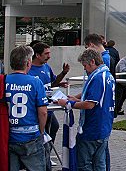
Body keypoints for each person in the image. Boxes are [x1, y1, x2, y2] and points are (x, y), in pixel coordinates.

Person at [57, 49, 115, 171]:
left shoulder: (98, 78)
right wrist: (76, 99)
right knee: (99, 163)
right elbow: (98, 100)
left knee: (84, 164)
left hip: (92, 128)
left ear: (92, 62)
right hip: (104, 127)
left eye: (85, 66)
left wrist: (68, 103)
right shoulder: (107, 75)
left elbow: (90, 104)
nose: (84, 69)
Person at [5, 45, 48, 171]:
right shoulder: (35, 82)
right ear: (28, 63)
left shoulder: (4, 81)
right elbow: (43, 112)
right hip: (30, 135)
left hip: (10, 134)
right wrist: (41, 131)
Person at [29, 42, 70, 170]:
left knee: (53, 127)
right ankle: (43, 157)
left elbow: (52, 83)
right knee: (43, 133)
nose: (49, 56)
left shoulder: (46, 67)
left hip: (49, 107)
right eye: (46, 54)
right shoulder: (29, 70)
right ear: (37, 55)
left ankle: (47, 154)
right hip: (40, 109)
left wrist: (63, 74)